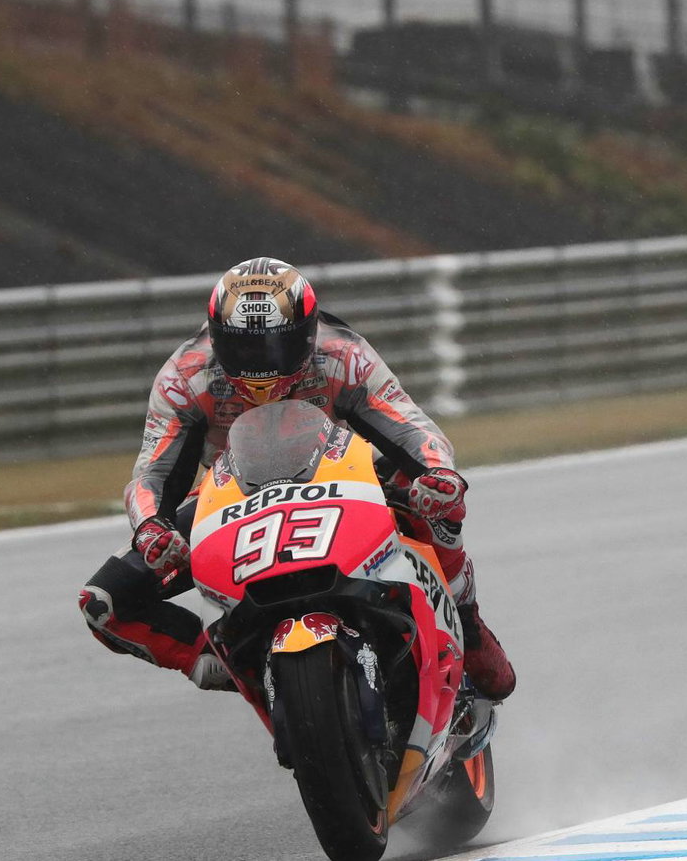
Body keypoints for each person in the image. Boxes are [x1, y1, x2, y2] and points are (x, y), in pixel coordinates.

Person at [76, 257, 515, 699]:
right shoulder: (185, 377)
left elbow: (409, 424)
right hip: (232, 498)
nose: (260, 364)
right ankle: (230, 664)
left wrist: (439, 473)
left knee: (434, 495)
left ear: (307, 333)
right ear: (216, 336)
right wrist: (151, 526)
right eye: (242, 348)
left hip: (344, 477)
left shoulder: (342, 355)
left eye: (275, 346)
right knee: (104, 602)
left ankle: (465, 618)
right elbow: (152, 471)